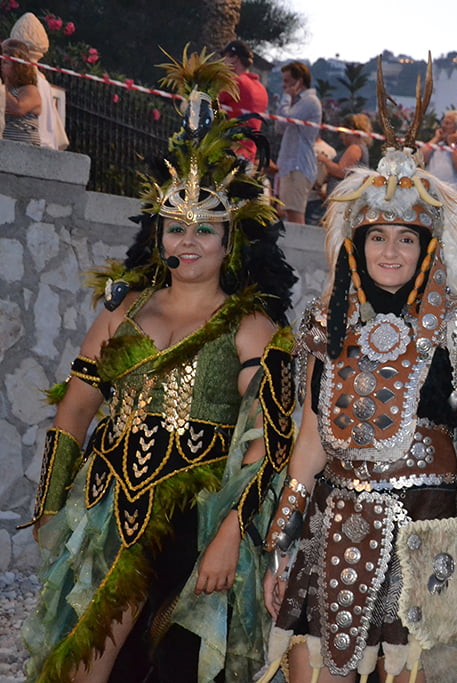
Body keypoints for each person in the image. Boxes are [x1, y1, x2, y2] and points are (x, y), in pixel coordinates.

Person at [21, 51, 299, 682]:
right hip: (105, 508)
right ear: (158, 236)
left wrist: (232, 531)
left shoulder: (254, 328)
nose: (189, 241)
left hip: (195, 527)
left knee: (175, 670)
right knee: (81, 662)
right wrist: (50, 503)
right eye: (175, 228)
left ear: (232, 241)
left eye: (205, 228)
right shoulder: (120, 314)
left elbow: (270, 445)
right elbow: (76, 410)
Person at [258, 57, 457, 683]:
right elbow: (310, 441)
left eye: (405, 238)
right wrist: (282, 541)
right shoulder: (326, 323)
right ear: (355, 244)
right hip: (331, 528)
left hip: (427, 536)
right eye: (376, 237)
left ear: (427, 249)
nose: (389, 251)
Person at [6, 12, 69, 150]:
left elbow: (17, 108)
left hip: (33, 151)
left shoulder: (35, 85)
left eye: (5, 61)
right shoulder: (38, 83)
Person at [276, 60, 322, 223]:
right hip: (289, 165)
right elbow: (279, 126)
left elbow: (286, 119)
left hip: (298, 165)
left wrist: (287, 97)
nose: (284, 86)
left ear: (299, 81)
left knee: (295, 214)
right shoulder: (297, 103)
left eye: (287, 81)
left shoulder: (309, 101)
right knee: (289, 212)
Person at [218, 40, 269, 164]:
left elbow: (209, 100)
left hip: (229, 152)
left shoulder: (236, 82)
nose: (223, 63)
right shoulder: (262, 89)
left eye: (225, 58)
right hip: (249, 155)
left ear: (234, 59)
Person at [1, 39, 42, 145]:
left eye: (5, 63)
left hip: (25, 146)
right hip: (6, 144)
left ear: (17, 67)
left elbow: (17, 109)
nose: (1, 66)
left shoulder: (30, 90)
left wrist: (3, 84)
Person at [422, 109, 457, 191]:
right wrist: (436, 138)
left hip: (452, 195)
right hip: (432, 192)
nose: (443, 126)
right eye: (443, 122)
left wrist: (452, 144)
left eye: (447, 123)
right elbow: (420, 158)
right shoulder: (438, 145)